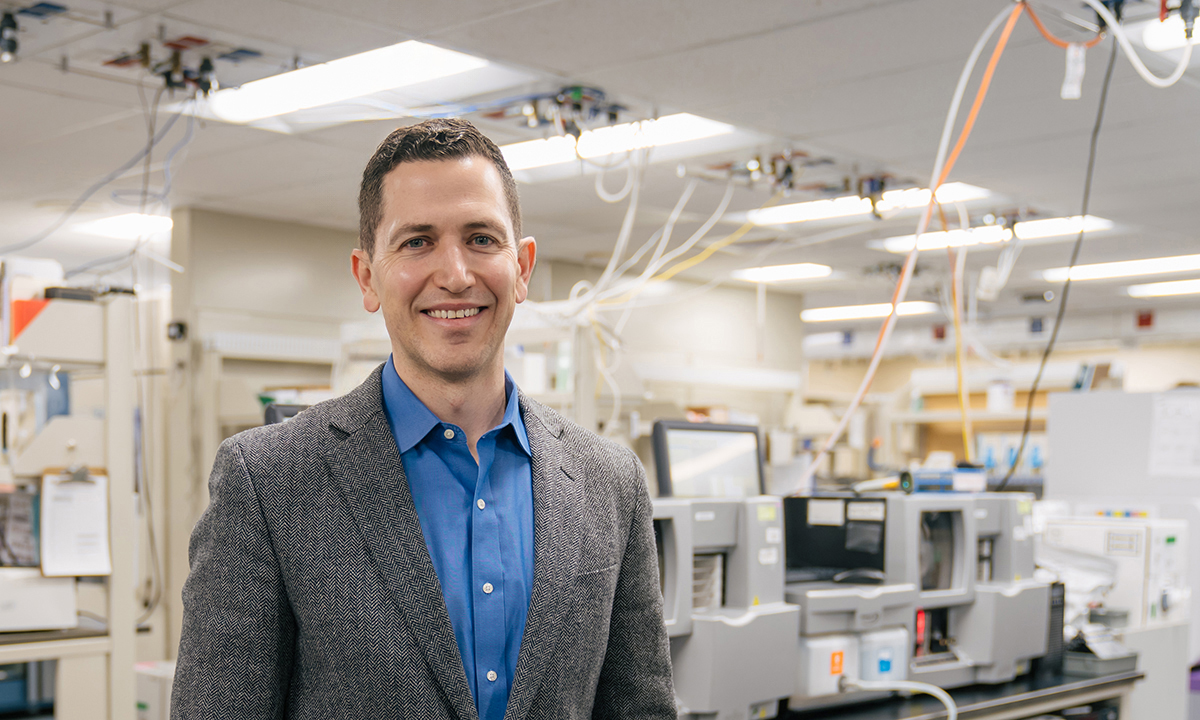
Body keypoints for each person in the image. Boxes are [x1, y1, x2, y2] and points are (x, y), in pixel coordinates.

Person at [170, 118, 676, 720]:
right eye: (417, 241)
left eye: (482, 238)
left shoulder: (610, 482)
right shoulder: (269, 481)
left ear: (522, 267)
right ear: (367, 276)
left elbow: (640, 708)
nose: (456, 273)